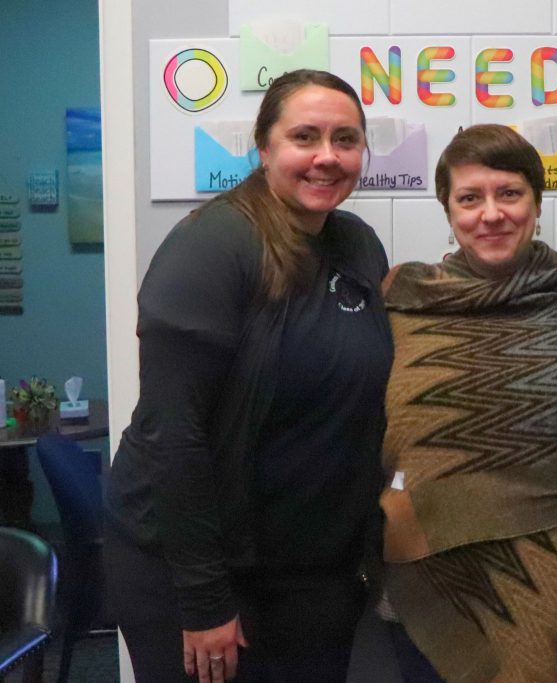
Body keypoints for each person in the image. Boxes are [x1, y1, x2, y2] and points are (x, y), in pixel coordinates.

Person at [104, 69, 393, 683]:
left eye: (345, 139)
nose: (326, 156)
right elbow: (172, 433)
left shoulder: (359, 245)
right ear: (264, 148)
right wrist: (205, 599)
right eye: (304, 137)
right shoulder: (214, 246)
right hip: (197, 568)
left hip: (310, 572)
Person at [378, 124, 557, 682]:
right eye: (470, 198)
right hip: (436, 585)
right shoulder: (404, 302)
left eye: (509, 194)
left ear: (536, 202)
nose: (490, 214)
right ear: (448, 210)